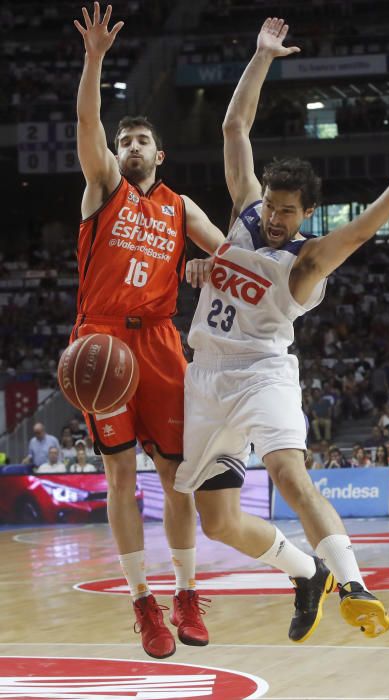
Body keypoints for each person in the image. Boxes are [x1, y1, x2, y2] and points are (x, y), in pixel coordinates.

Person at [176, 17, 389, 641]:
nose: (273, 217)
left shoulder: (304, 263)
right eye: (270, 204)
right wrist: (262, 55)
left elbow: (357, 233)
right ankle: (305, 573)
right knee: (217, 521)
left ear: (307, 214)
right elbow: (234, 127)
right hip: (207, 377)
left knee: (289, 473)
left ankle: (353, 581)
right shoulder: (246, 217)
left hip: (263, 372)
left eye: (287, 211)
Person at [72, 2, 226, 659]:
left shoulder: (180, 206)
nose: (129, 147)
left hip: (162, 341)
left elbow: (230, 260)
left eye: (140, 141)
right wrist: (95, 60)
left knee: (176, 479)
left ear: (158, 153)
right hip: (103, 343)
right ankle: (143, 605)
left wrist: (210, 265)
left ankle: (186, 593)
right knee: (121, 478)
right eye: (123, 140)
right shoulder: (103, 187)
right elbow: (86, 121)